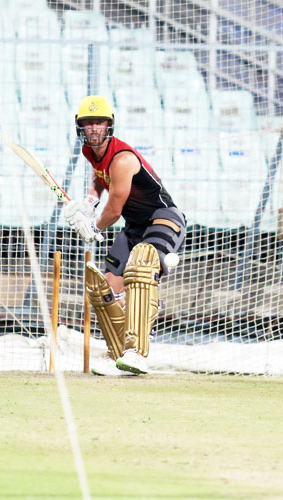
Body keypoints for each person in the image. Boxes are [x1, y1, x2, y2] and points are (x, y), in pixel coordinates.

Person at [64, 95, 186, 375]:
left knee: (141, 268)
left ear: (109, 126)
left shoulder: (123, 158)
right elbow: (99, 177)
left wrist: (93, 226)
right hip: (135, 227)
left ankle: (137, 352)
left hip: (163, 218)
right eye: (88, 124)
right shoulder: (90, 152)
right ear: (80, 127)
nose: (93, 129)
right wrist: (89, 200)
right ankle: (117, 354)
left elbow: (115, 208)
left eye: (99, 123)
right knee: (105, 288)